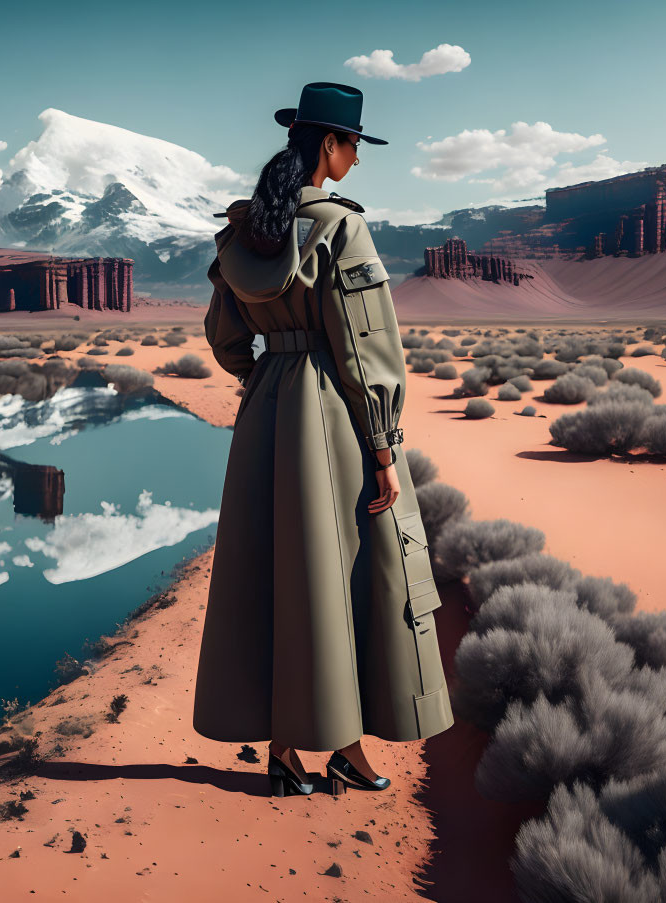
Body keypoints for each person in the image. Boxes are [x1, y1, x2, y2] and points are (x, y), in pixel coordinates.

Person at [192, 82, 454, 798]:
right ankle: (343, 748)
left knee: (281, 575)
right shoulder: (341, 228)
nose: (356, 162)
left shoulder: (247, 232)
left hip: (265, 415)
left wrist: (265, 379)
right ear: (330, 147)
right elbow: (364, 350)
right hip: (331, 417)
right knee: (339, 577)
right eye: (354, 147)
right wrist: (381, 447)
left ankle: (284, 751)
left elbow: (223, 337)